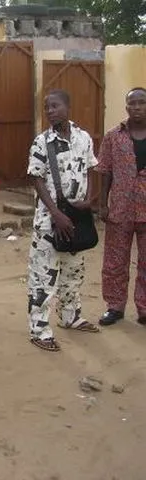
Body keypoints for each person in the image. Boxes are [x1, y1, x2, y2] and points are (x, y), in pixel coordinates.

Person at [26, 89, 100, 352]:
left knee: (73, 272)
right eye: (47, 107)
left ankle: (71, 316)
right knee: (43, 277)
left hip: (76, 219)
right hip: (49, 221)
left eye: (55, 106)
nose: (50, 111)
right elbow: (36, 179)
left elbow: (91, 169)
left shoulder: (83, 137)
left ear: (68, 107)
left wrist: (89, 200)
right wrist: (56, 214)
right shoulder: (41, 142)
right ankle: (39, 330)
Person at [97, 87, 146, 326]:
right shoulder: (113, 136)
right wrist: (102, 204)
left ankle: (144, 308)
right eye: (132, 103)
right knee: (115, 261)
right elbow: (104, 171)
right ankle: (114, 307)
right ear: (126, 107)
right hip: (120, 208)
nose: (136, 107)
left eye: (141, 102)